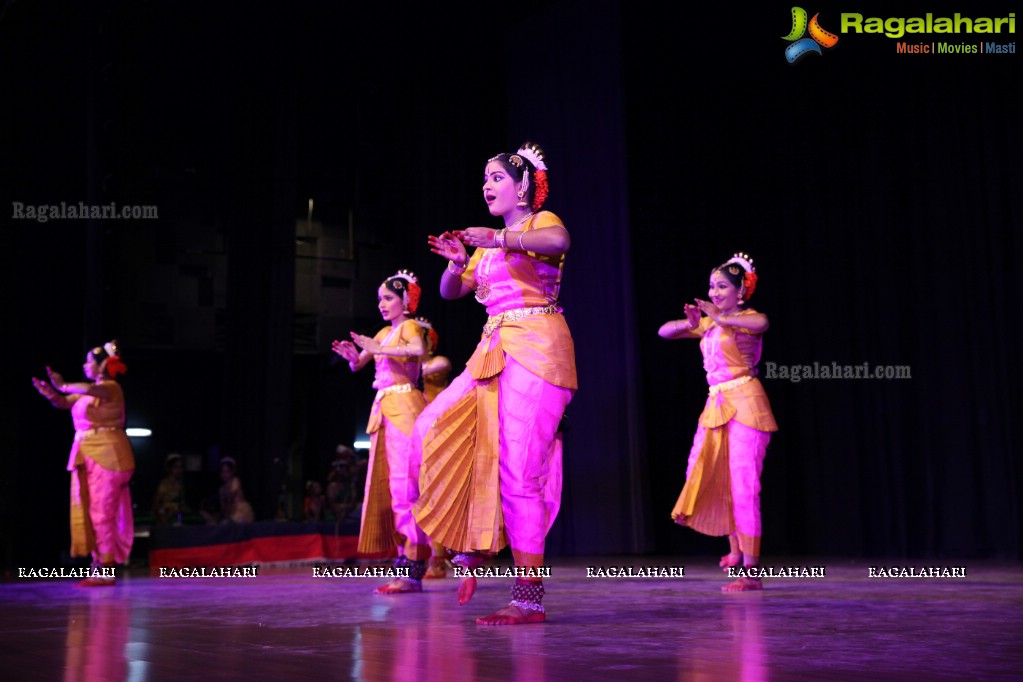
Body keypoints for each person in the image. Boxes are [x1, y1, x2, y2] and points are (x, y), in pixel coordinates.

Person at [413, 141, 576, 624]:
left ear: (523, 185)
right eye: (484, 178)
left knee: (519, 470)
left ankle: (528, 597)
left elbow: (560, 244)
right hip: (491, 351)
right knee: (430, 428)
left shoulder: (538, 224)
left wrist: (497, 239)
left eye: (497, 177)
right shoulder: (486, 247)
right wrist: (453, 261)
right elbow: (453, 290)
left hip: (538, 347)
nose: (487, 185)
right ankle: (476, 538)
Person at [658, 253, 778, 592]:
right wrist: (692, 321)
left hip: (746, 404)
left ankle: (751, 570)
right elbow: (664, 331)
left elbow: (762, 324)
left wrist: (718, 319)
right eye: (712, 286)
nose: (714, 292)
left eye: (722, 286)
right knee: (709, 475)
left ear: (740, 292)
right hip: (716, 405)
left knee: (743, 484)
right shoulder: (711, 322)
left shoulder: (745, 318)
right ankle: (735, 550)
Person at [332, 270, 430, 594]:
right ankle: (405, 564)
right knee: (392, 492)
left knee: (406, 490)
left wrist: (378, 348)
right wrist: (352, 358)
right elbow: (362, 362)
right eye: (379, 299)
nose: (382, 304)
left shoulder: (411, 327)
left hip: (404, 407)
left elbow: (417, 350)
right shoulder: (385, 332)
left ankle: (414, 568)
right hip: (384, 412)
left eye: (388, 298)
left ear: (405, 300)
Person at [31, 341, 135, 587]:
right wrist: (52, 393)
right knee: (91, 510)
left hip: (108, 456)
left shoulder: (110, 388)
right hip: (89, 454)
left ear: (103, 366)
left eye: (90, 361)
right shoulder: (91, 390)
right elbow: (66, 402)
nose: (85, 365)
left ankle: (106, 568)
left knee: (101, 511)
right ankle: (99, 563)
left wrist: (63, 385)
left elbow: (85, 390)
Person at [412, 316, 455, 580]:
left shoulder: (438, 363)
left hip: (441, 436)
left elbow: (431, 368)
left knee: (438, 495)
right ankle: (424, 556)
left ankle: (442, 558)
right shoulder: (406, 371)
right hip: (418, 437)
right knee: (419, 496)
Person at [211, 457, 255, 524]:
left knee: (227, 524)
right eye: (222, 472)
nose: (224, 474)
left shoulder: (235, 481)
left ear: (232, 472)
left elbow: (230, 499)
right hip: (232, 513)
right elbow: (223, 506)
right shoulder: (221, 489)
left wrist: (226, 516)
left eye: (227, 472)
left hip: (241, 512)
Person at [152, 453, 189, 526]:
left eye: (180, 467)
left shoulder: (180, 485)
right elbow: (156, 504)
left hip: (178, 517)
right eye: (175, 467)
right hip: (166, 519)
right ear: (169, 468)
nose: (179, 470)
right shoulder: (164, 484)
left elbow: (181, 503)